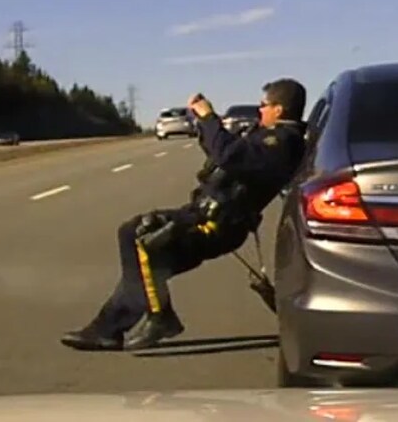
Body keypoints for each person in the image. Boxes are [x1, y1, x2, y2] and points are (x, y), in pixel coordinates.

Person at [60, 78, 307, 351]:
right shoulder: (268, 135)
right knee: (146, 267)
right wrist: (205, 124)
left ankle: (158, 317)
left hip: (215, 225)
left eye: (264, 105)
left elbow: (229, 155)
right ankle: (106, 329)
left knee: (140, 239)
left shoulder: (282, 141)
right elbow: (221, 155)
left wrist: (208, 116)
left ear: (279, 109)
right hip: (202, 215)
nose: (260, 111)